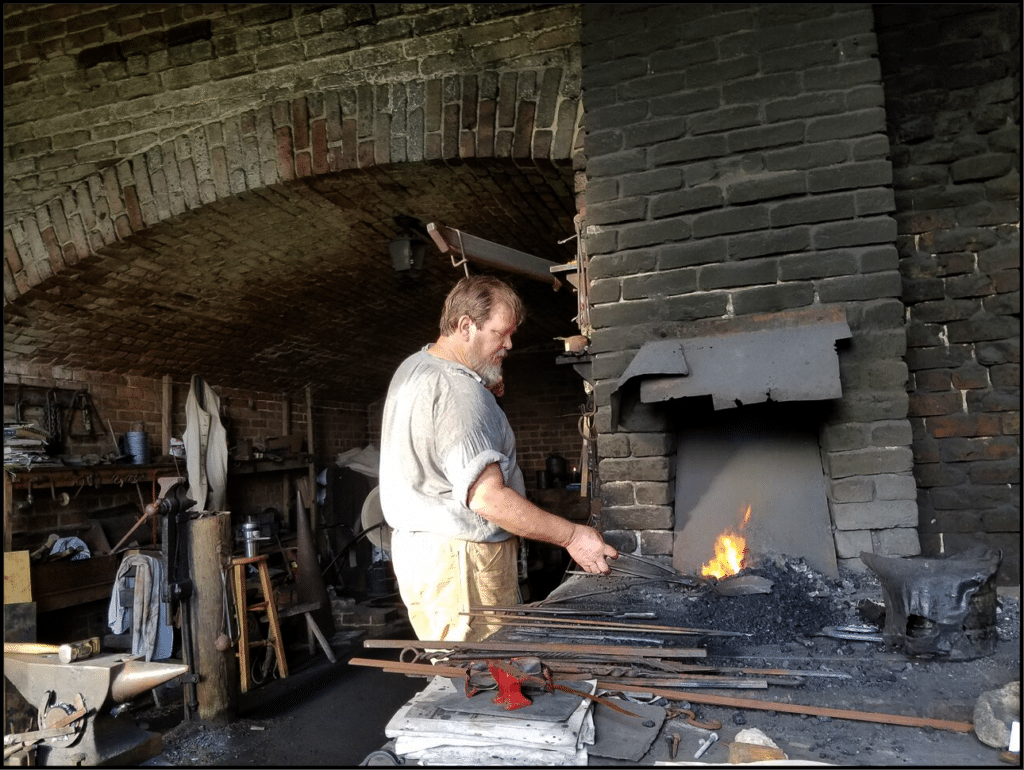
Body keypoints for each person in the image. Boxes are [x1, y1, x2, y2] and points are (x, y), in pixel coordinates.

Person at [378, 275, 618, 642]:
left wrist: (479, 385)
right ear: (465, 326)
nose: (508, 344)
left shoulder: (415, 368)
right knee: (490, 673)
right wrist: (571, 536)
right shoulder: (459, 394)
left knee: (464, 674)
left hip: (424, 557)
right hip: (464, 563)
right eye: (500, 333)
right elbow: (487, 498)